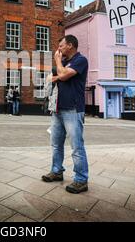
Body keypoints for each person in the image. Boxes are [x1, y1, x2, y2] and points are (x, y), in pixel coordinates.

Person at [41, 35, 90, 195]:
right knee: (56, 144)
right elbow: (52, 78)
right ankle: (56, 171)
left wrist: (57, 63)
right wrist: (58, 74)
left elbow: (62, 76)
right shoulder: (65, 62)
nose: (59, 49)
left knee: (76, 146)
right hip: (57, 108)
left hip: (73, 110)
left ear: (70, 45)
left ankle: (81, 180)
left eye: (61, 45)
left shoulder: (80, 60)